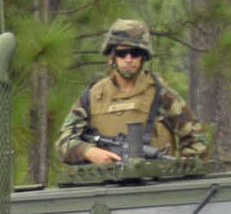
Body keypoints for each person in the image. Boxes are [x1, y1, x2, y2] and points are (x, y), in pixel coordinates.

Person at [55, 19, 207, 165]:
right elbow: (63, 143)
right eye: (122, 53)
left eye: (135, 53)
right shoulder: (92, 96)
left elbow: (197, 140)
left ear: (143, 57)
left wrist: (179, 171)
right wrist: (89, 152)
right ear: (111, 57)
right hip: (104, 186)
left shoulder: (162, 95)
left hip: (155, 184)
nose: (129, 59)